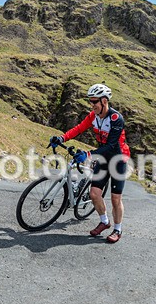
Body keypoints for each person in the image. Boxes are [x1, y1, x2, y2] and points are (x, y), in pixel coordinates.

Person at [49, 83, 130, 243]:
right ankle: (104, 221)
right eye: (90, 101)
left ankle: (117, 229)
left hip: (118, 158)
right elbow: (79, 128)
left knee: (115, 198)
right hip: (103, 157)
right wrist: (62, 138)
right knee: (94, 194)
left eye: (94, 101)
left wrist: (87, 154)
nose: (91, 105)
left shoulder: (116, 119)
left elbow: (112, 146)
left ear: (104, 101)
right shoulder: (93, 116)